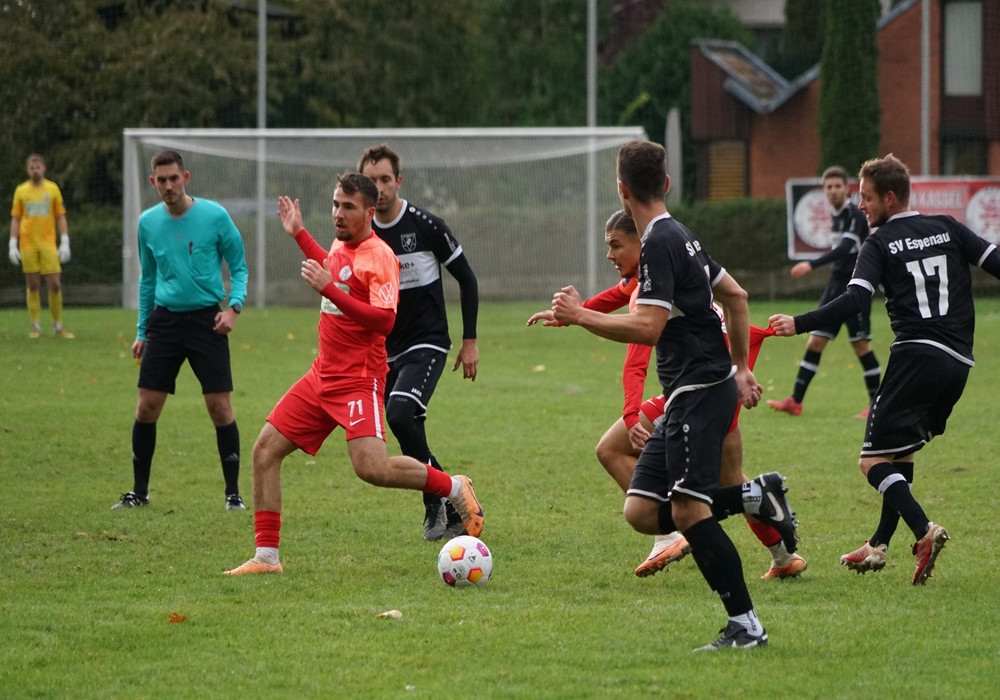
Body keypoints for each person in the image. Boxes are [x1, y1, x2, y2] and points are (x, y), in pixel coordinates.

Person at [550, 140, 798, 651]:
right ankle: (754, 495)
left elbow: (647, 327)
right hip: (696, 389)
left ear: (622, 190)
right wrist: (740, 367)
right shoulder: (681, 235)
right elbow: (736, 296)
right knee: (642, 511)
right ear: (665, 183)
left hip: (699, 390)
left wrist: (580, 315)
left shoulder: (660, 242)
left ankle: (746, 626)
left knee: (689, 511)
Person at [224, 173, 483, 576]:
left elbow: (384, 320)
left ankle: (453, 486)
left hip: (359, 380)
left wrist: (328, 290)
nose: (338, 214)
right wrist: (299, 234)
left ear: (369, 212)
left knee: (372, 469)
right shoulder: (341, 244)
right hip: (321, 376)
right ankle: (267, 557)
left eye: (348, 207)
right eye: (335, 205)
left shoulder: (379, 256)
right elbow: (335, 273)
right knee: (264, 451)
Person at [528, 211, 805, 581]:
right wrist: (571, 314)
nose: (609, 255)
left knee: (611, 450)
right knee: (731, 479)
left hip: (697, 387)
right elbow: (619, 294)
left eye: (616, 245)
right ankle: (783, 556)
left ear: (641, 241)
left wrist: (631, 415)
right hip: (722, 379)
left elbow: (637, 355)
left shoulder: (652, 286)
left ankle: (668, 535)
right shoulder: (675, 257)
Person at [770, 153, 1000, 585]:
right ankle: (878, 545)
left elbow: (855, 299)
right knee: (900, 452)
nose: (861, 205)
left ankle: (924, 531)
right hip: (959, 362)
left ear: (890, 199)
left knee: (872, 460)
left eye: (867, 197)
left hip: (916, 356)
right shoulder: (948, 226)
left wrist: (798, 323)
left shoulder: (878, 243)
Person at [112, 150, 249, 511]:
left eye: (174, 178)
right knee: (147, 406)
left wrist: (234, 308)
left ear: (185, 178)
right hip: (165, 322)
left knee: (219, 408)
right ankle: (139, 493)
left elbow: (239, 266)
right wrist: (142, 331)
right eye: (162, 180)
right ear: (153, 182)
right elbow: (148, 280)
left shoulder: (215, 216)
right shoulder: (147, 223)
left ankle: (233, 495)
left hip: (208, 321)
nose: (169, 185)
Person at [358, 144, 480, 541]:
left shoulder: (426, 225)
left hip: (428, 342)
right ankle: (452, 498)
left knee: (399, 414)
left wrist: (469, 340)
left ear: (398, 181)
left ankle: (436, 500)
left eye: (385, 179)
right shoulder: (361, 235)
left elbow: (467, 279)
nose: (379, 188)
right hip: (384, 350)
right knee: (408, 424)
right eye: (371, 181)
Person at [768, 165, 881, 419]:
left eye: (837, 186)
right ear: (824, 190)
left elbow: (845, 249)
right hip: (835, 285)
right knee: (816, 341)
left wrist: (811, 264)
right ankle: (795, 401)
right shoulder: (836, 214)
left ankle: (877, 406)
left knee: (861, 346)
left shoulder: (855, 214)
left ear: (846, 188)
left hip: (855, 287)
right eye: (829, 187)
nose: (833, 191)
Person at [9, 154, 74, 339]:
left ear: (43, 169)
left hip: (48, 243)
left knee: (55, 284)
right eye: (32, 168)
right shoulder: (21, 191)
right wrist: (12, 244)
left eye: (38, 167)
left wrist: (65, 241)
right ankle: (36, 326)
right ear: (27, 170)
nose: (35, 171)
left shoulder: (52, 189)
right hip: (27, 243)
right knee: (33, 285)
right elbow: (16, 218)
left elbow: (60, 216)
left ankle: (58, 326)